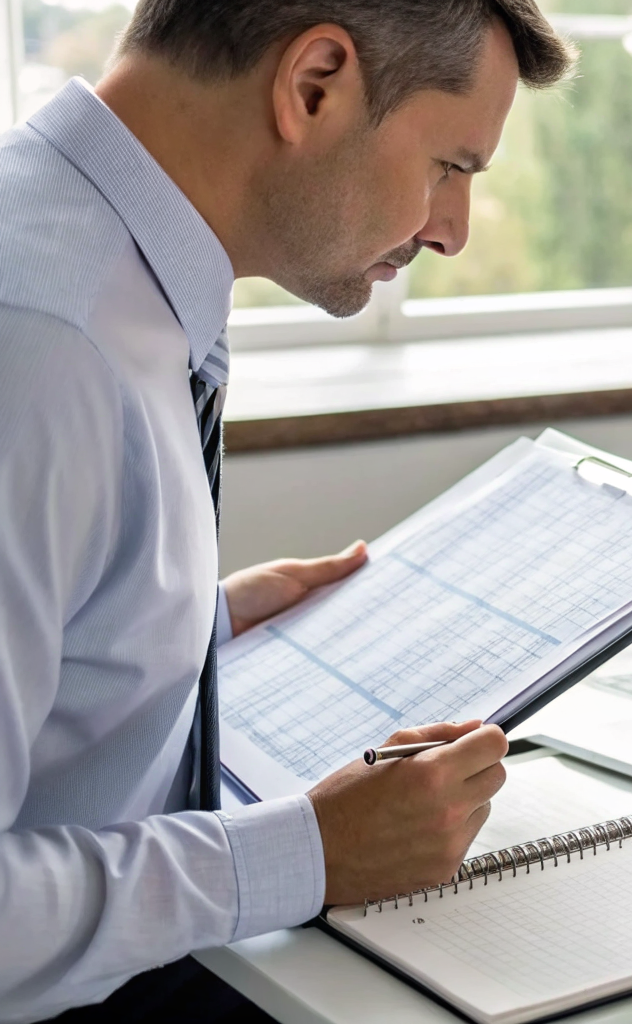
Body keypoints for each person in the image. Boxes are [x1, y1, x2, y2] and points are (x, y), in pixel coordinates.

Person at [0, 2, 574, 1020]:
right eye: (452, 166)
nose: (451, 231)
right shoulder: (42, 349)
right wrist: (300, 856)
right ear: (314, 83)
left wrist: (184, 626)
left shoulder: (92, 265)